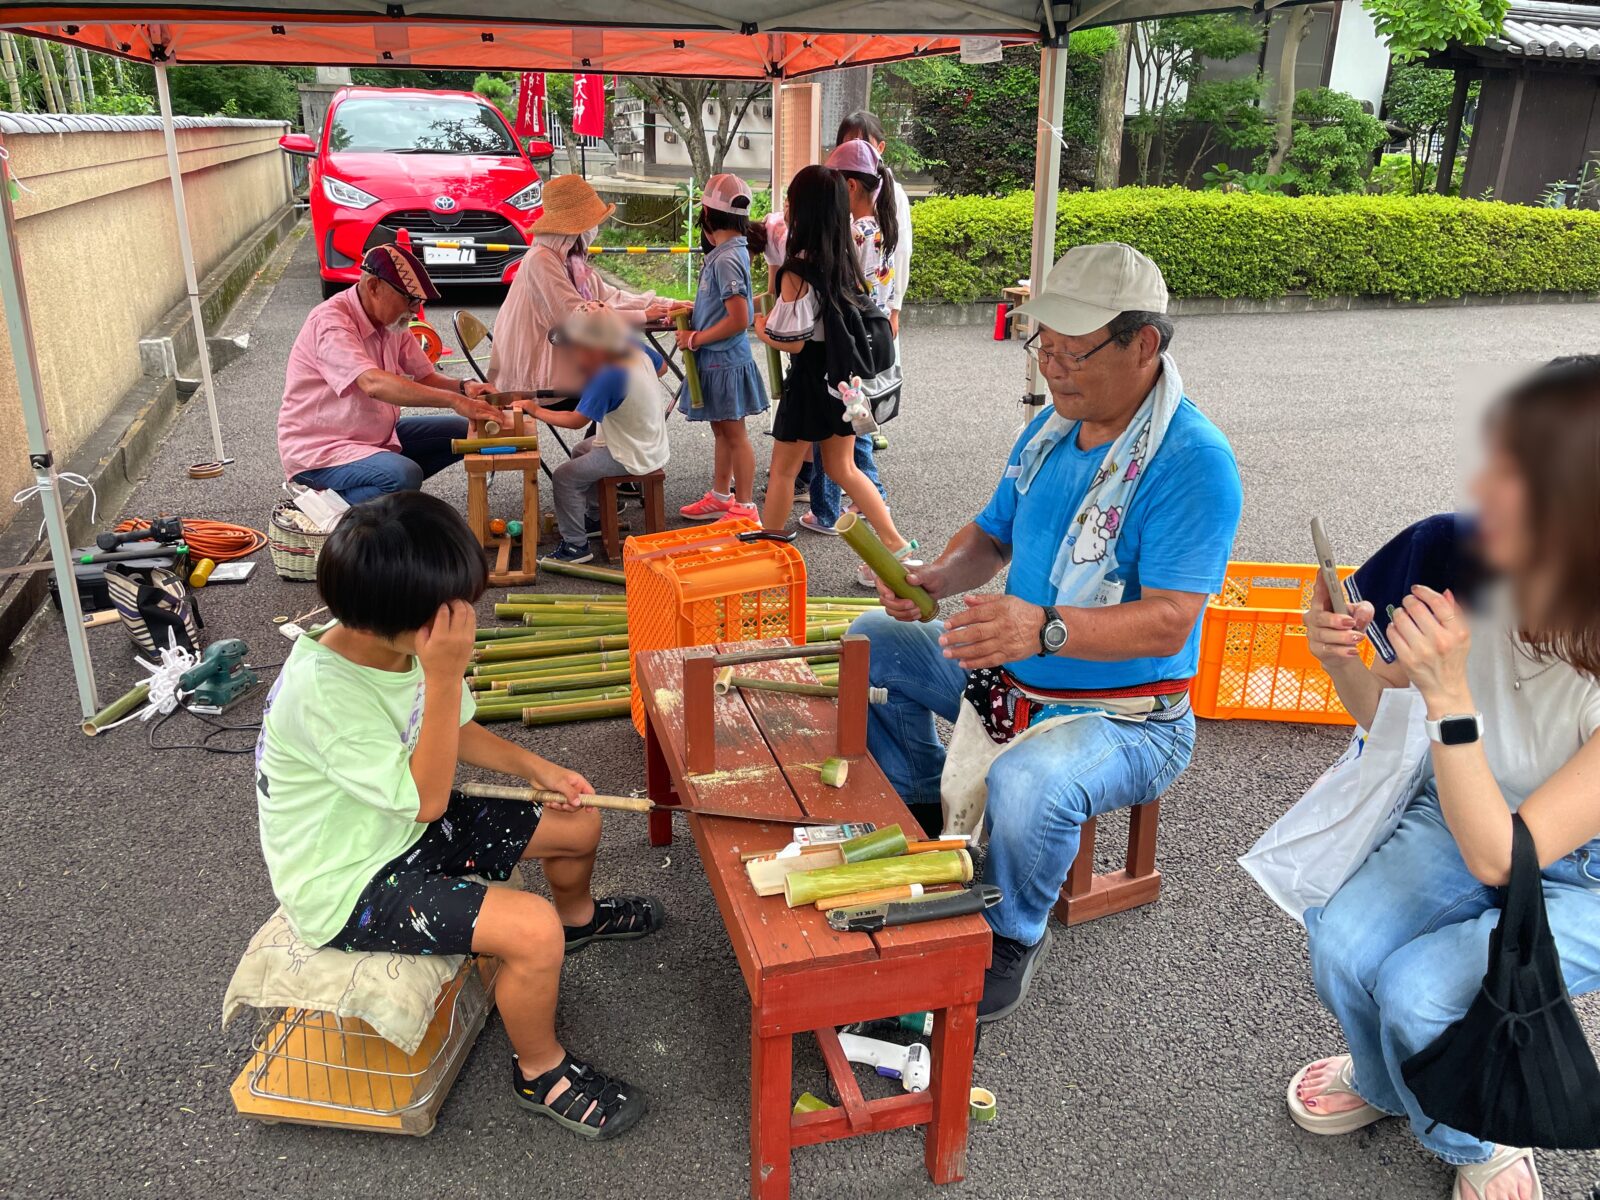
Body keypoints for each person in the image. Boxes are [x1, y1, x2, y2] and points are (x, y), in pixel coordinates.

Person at [850, 242, 1242, 1024]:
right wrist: (934, 576)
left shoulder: (1192, 462)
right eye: (1044, 348)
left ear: (1144, 344)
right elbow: (992, 538)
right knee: (871, 639)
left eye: (1072, 353)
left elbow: (1171, 619)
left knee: (1029, 784)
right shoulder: (1052, 433)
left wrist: (1047, 630)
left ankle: (1011, 932)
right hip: (1017, 674)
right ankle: (928, 794)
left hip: (1130, 717)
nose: (1053, 369)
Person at [255, 491, 664, 1139]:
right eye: (451, 617)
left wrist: (538, 771)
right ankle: (540, 1070)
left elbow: (453, 730)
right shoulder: (324, 693)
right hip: (349, 878)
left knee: (579, 824)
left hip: (399, 820)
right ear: (401, 623)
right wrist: (443, 676)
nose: (463, 625)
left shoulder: (405, 643)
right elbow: (428, 798)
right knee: (530, 932)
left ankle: (578, 918)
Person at [1291, 356, 1600, 1200]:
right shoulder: (1473, 562)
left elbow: (1510, 861)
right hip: (1473, 807)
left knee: (1421, 994)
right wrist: (1341, 653)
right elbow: (1382, 705)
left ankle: (1477, 1140)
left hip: (1575, 869)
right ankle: (1390, 1084)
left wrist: (1452, 695)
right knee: (1343, 947)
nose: (1483, 488)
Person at [755, 165, 917, 564]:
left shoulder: (797, 270)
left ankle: (769, 554)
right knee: (845, 469)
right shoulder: (845, 260)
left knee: (783, 471)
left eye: (790, 202)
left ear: (803, 211)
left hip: (811, 383)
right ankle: (896, 545)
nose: (786, 208)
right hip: (843, 384)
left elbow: (791, 342)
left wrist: (760, 328)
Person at [277, 243, 501, 504]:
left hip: (374, 436)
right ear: (374, 287)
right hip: (321, 451)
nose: (415, 310)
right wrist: (455, 401)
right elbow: (372, 383)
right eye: (409, 299)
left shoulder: (392, 322)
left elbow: (424, 376)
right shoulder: (331, 323)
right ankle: (320, 508)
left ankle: (389, 498)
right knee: (402, 475)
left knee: (464, 431)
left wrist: (464, 387)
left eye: (418, 302)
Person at [488, 173, 679, 397]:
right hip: (542, 368)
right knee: (643, 366)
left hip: (571, 349)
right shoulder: (541, 260)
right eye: (591, 224)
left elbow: (609, 297)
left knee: (651, 363)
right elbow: (579, 316)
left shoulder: (571, 258)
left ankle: (606, 427)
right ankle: (605, 428)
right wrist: (644, 315)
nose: (593, 230)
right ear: (573, 230)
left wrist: (667, 303)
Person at [801, 139, 899, 554]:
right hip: (868, 346)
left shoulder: (857, 233)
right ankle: (879, 536)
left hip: (848, 350)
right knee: (851, 444)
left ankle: (888, 539)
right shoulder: (882, 229)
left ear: (851, 187)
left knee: (853, 450)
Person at [517, 304, 671, 564]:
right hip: (648, 441)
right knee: (580, 451)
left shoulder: (609, 374)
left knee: (565, 477)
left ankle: (576, 546)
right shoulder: (631, 345)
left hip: (629, 453)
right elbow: (663, 367)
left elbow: (575, 421)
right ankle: (596, 516)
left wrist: (534, 410)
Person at [674, 173, 770, 524]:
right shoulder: (729, 251)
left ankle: (744, 507)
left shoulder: (727, 257)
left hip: (725, 362)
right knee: (722, 431)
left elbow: (738, 318)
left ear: (708, 218)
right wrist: (695, 312)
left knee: (735, 434)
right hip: (718, 360)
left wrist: (695, 338)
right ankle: (720, 495)